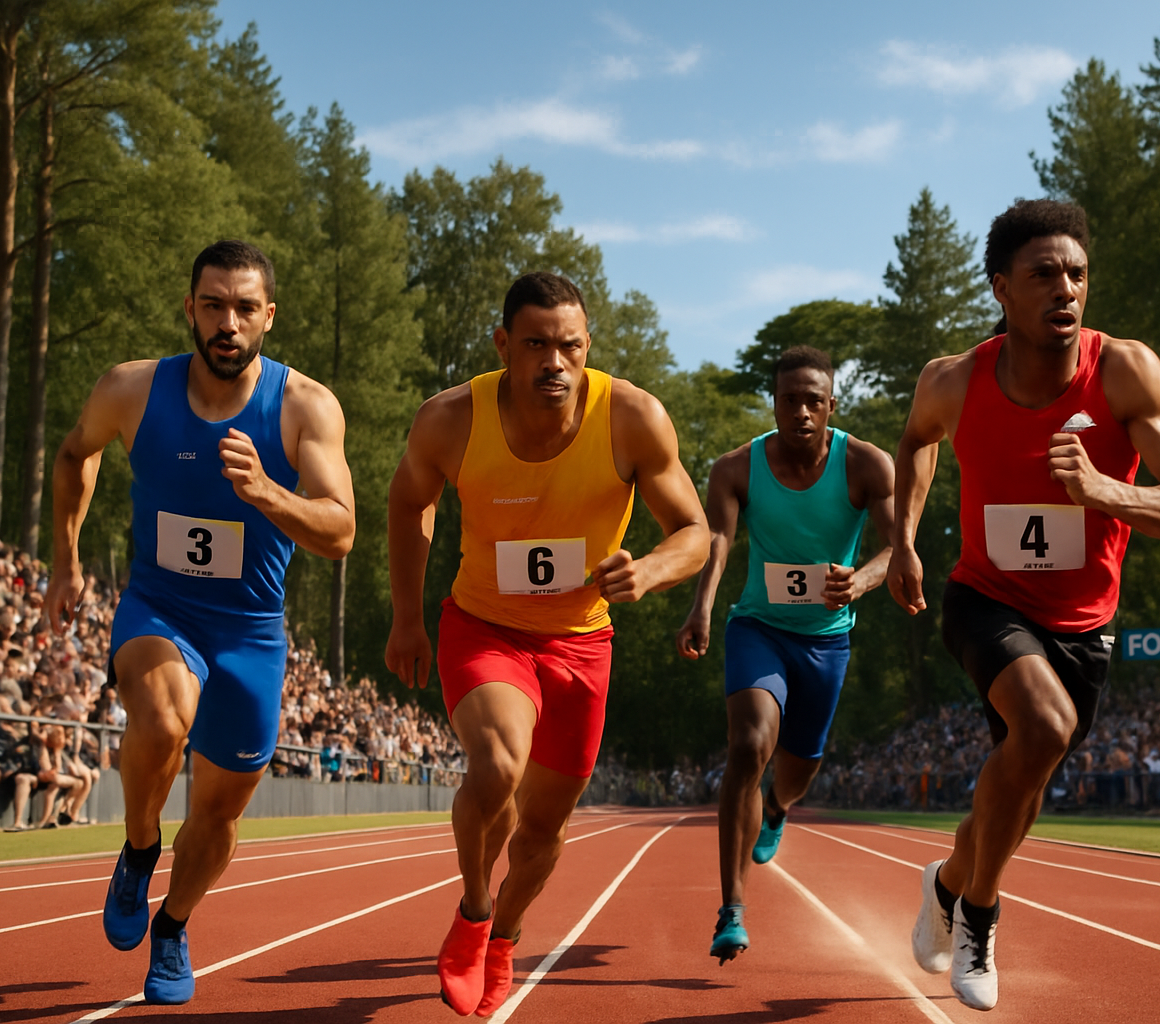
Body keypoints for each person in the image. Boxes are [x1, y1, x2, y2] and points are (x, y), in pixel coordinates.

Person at [888, 199, 1160, 1011]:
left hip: (1083, 627)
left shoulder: (1126, 372)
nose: (1065, 289)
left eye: (1077, 274)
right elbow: (916, 441)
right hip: (985, 598)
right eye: (1044, 275)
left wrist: (1104, 491)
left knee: (1021, 785)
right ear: (1002, 288)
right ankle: (980, 917)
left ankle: (947, 881)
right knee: (1043, 727)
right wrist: (903, 540)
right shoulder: (953, 380)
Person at [386, 271, 707, 1017]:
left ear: (588, 346)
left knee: (540, 833)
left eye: (570, 347)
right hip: (485, 629)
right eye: (535, 345)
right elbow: (408, 502)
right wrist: (407, 617)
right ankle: (473, 910)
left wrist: (650, 570)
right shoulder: (450, 419)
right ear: (503, 345)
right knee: (498, 764)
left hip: (581, 646)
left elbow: (695, 531)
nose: (554, 363)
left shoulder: (631, 417)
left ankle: (505, 933)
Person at [44, 239, 355, 1005]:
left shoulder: (304, 407)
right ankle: (139, 848)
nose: (227, 322)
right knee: (160, 719)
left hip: (250, 629)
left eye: (244, 308)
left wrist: (267, 492)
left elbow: (341, 530)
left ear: (269, 316)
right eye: (213, 305)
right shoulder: (131, 388)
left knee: (217, 815)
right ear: (190, 307)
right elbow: (76, 453)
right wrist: (65, 559)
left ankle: (174, 925)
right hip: (161, 604)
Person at [675, 345, 894, 963]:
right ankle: (731, 908)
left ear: (832, 405)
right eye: (789, 400)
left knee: (796, 773)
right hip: (759, 628)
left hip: (826, 640)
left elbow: (895, 549)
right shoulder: (735, 468)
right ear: (773, 404)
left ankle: (775, 808)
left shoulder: (866, 465)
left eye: (812, 401)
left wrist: (860, 581)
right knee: (748, 745)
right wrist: (701, 608)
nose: (801, 411)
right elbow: (718, 540)